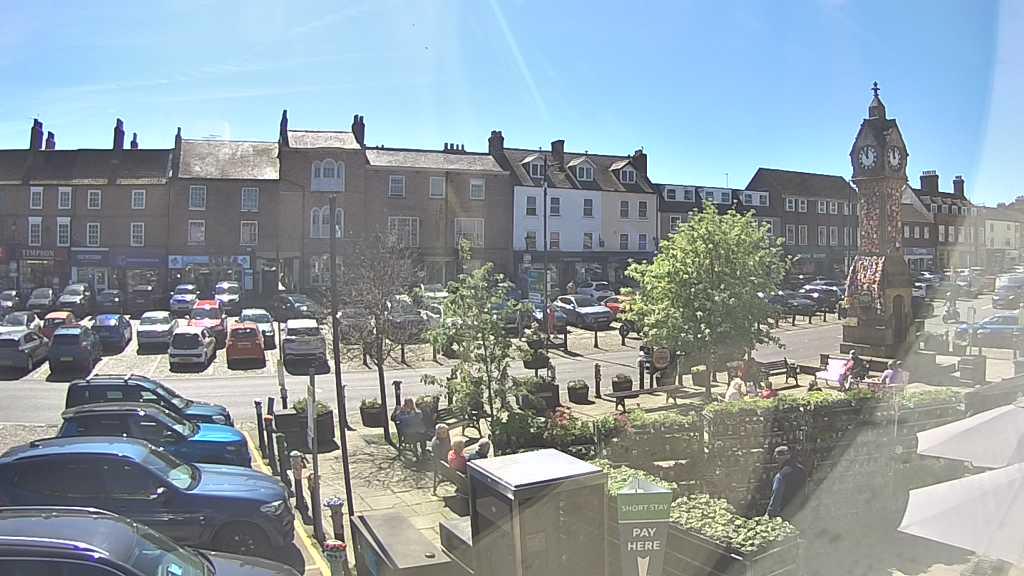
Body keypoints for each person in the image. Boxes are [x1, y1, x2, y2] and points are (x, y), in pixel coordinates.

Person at [766, 446, 807, 519]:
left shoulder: (781, 475)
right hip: (801, 511)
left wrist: (770, 513)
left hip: (785, 513)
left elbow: (777, 494)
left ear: (777, 457)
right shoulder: (802, 470)